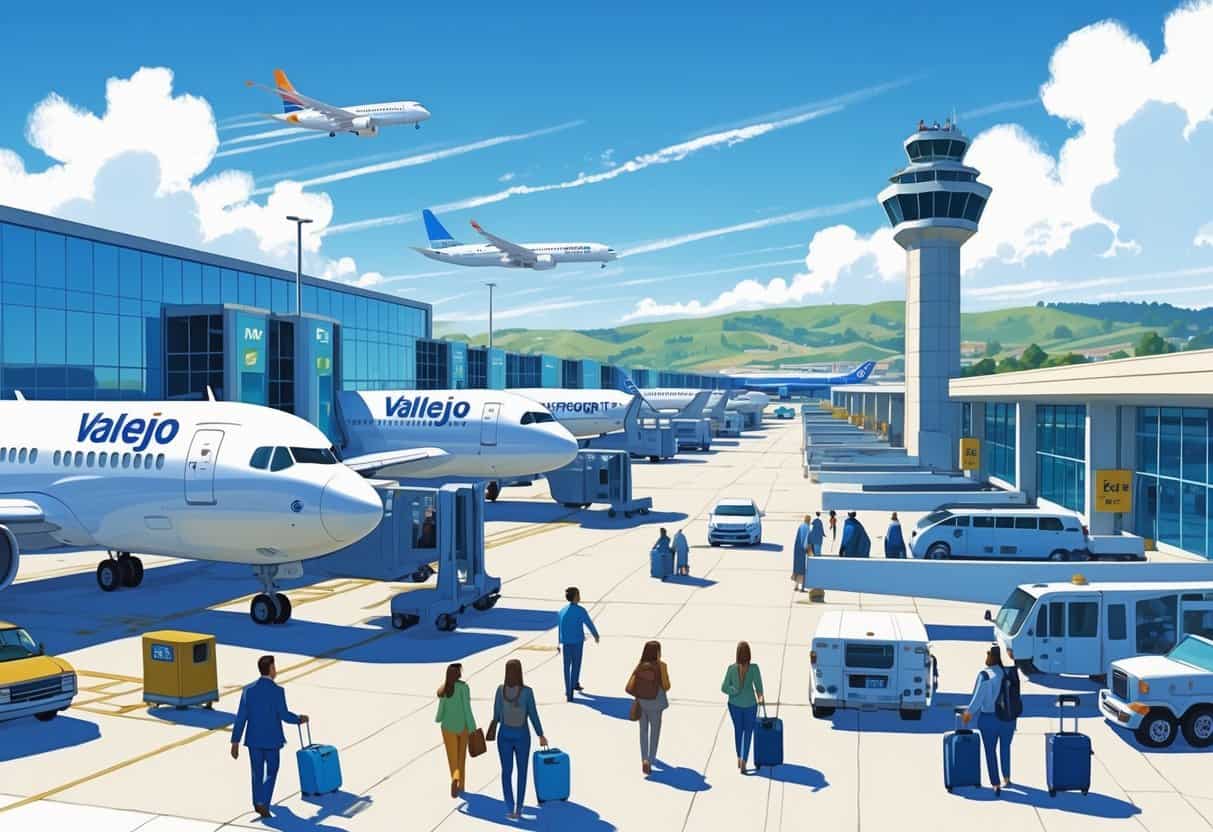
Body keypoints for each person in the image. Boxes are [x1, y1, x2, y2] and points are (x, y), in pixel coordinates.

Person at [230, 655, 308, 818]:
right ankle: (264, 802)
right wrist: (299, 719)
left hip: (254, 740)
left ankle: (257, 801)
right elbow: (284, 715)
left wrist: (235, 741)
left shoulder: (248, 690)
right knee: (272, 771)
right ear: (271, 669)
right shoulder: (277, 691)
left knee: (256, 772)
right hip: (272, 740)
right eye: (274, 667)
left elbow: (241, 717)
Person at [490, 659, 547, 819]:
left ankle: (509, 807)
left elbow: (496, 715)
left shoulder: (500, 690)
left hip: (504, 735)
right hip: (522, 736)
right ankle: (519, 808)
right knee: (522, 772)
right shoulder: (527, 692)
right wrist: (540, 734)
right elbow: (533, 715)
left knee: (506, 772)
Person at [962, 645, 1020, 795]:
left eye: (987, 653)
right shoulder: (1009, 673)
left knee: (990, 751)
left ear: (990, 656)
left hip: (989, 719)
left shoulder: (985, 675)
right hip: (1009, 718)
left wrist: (968, 713)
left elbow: (977, 699)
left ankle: (996, 783)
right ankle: (1007, 777)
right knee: (1005, 748)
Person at [627, 640, 671, 775]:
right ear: (657, 652)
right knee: (655, 733)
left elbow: (631, 684)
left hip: (642, 702)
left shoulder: (640, 665)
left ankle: (644, 759)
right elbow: (666, 686)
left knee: (643, 732)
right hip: (656, 704)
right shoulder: (661, 666)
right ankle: (651, 760)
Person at [721, 641, 764, 773]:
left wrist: (734, 690)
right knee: (748, 732)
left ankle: (739, 757)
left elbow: (724, 687)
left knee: (738, 731)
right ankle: (744, 759)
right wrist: (760, 698)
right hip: (750, 704)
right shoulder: (754, 668)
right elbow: (759, 687)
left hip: (734, 705)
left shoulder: (731, 668)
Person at [436, 663, 477, 798]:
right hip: (462, 727)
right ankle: (461, 786)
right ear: (459, 674)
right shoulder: (464, 688)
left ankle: (455, 777)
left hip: (447, 728)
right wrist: (472, 728)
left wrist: (438, 718)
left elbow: (441, 710)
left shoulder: (444, 689)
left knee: (452, 758)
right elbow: (467, 709)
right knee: (461, 757)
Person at [557, 587, 600, 701]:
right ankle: (573, 684)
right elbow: (588, 623)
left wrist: (559, 642)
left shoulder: (562, 611)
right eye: (578, 594)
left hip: (566, 642)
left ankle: (568, 691)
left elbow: (560, 628)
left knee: (566, 667)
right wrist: (595, 635)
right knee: (576, 665)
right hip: (577, 642)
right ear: (575, 597)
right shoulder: (580, 610)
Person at [792, 515, 811, 592]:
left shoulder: (800, 526)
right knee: (802, 569)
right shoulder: (808, 528)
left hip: (797, 549)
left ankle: (796, 586)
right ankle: (802, 588)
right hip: (803, 550)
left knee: (796, 567)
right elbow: (806, 540)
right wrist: (808, 550)